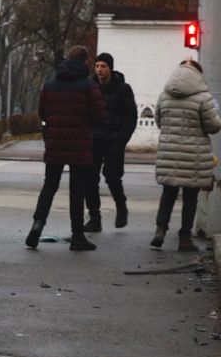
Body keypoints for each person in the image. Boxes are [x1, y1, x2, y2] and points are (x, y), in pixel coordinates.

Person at [25, 45, 105, 251]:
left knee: (49, 185)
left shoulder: (50, 84)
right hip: (80, 144)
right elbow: (98, 116)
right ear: (85, 61)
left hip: (55, 143)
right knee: (77, 191)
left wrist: (52, 129)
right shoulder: (89, 86)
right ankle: (77, 236)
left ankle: (37, 225)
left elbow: (42, 112)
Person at [151, 59, 221, 251]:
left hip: (169, 152)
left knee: (168, 194)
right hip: (194, 155)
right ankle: (184, 237)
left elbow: (158, 120)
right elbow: (213, 126)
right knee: (190, 197)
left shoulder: (164, 95)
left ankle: (160, 229)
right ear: (198, 75)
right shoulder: (203, 97)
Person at [84, 52, 138, 231]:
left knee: (112, 176)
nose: (99, 70)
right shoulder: (91, 87)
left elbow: (130, 117)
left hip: (114, 140)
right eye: (97, 66)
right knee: (90, 179)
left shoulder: (123, 89)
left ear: (110, 68)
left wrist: (121, 139)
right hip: (94, 140)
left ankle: (121, 207)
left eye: (103, 66)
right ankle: (94, 217)